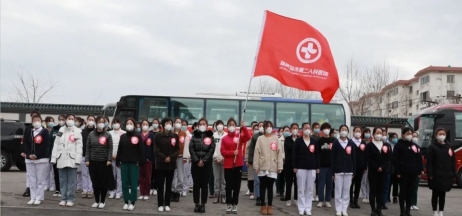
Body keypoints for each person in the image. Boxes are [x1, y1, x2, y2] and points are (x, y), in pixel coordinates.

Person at [51, 114, 83, 207]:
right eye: (69, 118)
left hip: (72, 159)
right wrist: (54, 158)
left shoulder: (77, 131)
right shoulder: (61, 130)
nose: (70, 120)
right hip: (61, 158)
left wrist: (77, 159)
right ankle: (63, 198)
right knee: (63, 179)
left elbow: (79, 146)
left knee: (72, 181)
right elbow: (56, 144)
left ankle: (70, 198)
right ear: (66, 120)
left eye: (72, 119)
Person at [220, 118, 251, 214]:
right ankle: (228, 203)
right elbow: (223, 151)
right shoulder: (224, 139)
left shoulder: (239, 136)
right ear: (227, 126)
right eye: (230, 125)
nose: (231, 126)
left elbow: (248, 137)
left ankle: (234, 204)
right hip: (228, 165)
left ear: (235, 126)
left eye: (233, 124)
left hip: (237, 165)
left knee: (237, 186)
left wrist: (244, 127)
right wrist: (232, 153)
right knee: (228, 186)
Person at [253, 120, 283, 215]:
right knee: (262, 187)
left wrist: (280, 166)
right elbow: (256, 152)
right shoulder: (260, 139)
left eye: (270, 126)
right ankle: (263, 205)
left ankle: (270, 206)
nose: (269, 128)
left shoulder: (276, 139)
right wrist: (256, 165)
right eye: (267, 126)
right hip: (262, 166)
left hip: (273, 167)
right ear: (264, 128)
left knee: (270, 187)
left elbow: (279, 153)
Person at [392, 127, 424, 216]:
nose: (409, 135)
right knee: (403, 191)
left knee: (410, 191)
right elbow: (395, 159)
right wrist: (397, 171)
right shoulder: (398, 145)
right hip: (402, 172)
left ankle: (408, 210)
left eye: (410, 133)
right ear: (403, 134)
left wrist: (420, 170)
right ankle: (402, 210)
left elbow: (419, 159)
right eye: (407, 133)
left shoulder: (415, 146)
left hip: (413, 172)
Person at [86, 116, 114, 209]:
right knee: (95, 182)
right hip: (93, 161)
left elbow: (110, 148)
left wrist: (109, 159)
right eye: (99, 122)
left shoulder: (107, 135)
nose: (101, 123)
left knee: (103, 182)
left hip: (104, 162)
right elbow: (88, 148)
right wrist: (87, 159)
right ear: (96, 123)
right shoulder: (91, 134)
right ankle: (96, 200)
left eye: (103, 122)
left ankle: (102, 201)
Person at [116, 118, 144, 211]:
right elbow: (119, 149)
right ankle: (125, 201)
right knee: (124, 183)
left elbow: (141, 150)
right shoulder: (123, 136)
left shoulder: (138, 136)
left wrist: (140, 162)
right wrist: (117, 160)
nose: (129, 125)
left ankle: (132, 202)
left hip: (134, 163)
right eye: (127, 123)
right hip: (124, 162)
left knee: (133, 183)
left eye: (131, 123)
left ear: (134, 125)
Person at [427, 128, 456, 216]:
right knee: (435, 193)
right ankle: (435, 211)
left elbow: (452, 160)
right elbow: (430, 161)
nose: (442, 135)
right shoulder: (432, 147)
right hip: (436, 174)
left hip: (446, 174)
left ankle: (441, 211)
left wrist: (453, 173)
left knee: (443, 194)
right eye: (440, 134)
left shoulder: (449, 146)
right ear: (436, 135)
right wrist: (430, 173)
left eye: (443, 134)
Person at [189, 118, 215, 213]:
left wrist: (203, 160)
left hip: (206, 164)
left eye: (204, 124)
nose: (202, 125)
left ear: (207, 125)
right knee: (196, 184)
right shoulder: (194, 135)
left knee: (204, 185)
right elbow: (191, 148)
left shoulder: (210, 136)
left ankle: (203, 204)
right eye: (201, 124)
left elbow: (211, 149)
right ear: (198, 125)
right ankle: (196, 204)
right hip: (195, 164)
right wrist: (197, 160)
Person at [293, 122, 319, 216]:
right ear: (302, 129)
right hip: (301, 167)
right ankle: (301, 208)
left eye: (308, 128)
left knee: (309, 189)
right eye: (305, 128)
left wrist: (317, 167)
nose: (307, 129)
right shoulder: (298, 141)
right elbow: (295, 154)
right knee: (301, 189)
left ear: (310, 130)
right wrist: (295, 166)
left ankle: (308, 208)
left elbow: (317, 155)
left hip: (312, 167)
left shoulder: (314, 141)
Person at [24, 115, 50, 205]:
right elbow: (25, 143)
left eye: (38, 120)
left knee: (40, 180)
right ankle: (33, 197)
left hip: (41, 159)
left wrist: (36, 154)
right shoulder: (29, 131)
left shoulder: (45, 131)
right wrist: (28, 154)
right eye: (34, 120)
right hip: (29, 159)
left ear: (41, 121)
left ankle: (39, 197)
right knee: (32, 179)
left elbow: (45, 145)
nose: (36, 122)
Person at [365, 127, 392, 216]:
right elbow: (368, 158)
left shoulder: (386, 145)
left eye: (381, 132)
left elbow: (388, 158)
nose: (379, 134)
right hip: (373, 171)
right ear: (373, 134)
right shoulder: (369, 145)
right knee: (373, 190)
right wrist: (377, 167)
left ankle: (379, 209)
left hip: (383, 171)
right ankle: (373, 209)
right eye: (377, 132)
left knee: (381, 190)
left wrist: (382, 167)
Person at [154, 117, 180, 212]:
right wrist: (164, 157)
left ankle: (167, 204)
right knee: (160, 185)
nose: (169, 125)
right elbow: (156, 150)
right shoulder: (158, 136)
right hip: (160, 164)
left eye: (170, 123)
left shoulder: (175, 136)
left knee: (169, 185)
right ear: (163, 125)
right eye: (167, 123)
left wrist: (170, 157)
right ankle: (160, 204)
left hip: (171, 165)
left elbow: (177, 150)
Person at [331, 125, 356, 216]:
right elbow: (332, 158)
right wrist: (333, 172)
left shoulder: (351, 143)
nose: (344, 131)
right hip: (338, 171)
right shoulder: (336, 143)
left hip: (349, 170)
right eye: (342, 130)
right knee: (338, 190)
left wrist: (354, 171)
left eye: (345, 130)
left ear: (348, 131)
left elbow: (353, 158)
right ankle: (338, 209)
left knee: (346, 190)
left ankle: (344, 209)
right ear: (339, 131)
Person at [21, 109, 41, 197]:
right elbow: (24, 140)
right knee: (29, 174)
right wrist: (24, 151)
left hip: (38, 155)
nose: (35, 119)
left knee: (38, 174)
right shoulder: (28, 128)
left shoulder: (42, 129)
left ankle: (37, 190)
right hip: (28, 154)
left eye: (36, 117)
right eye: (33, 117)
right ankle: (28, 188)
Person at [316, 123, 335, 208]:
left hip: (331, 166)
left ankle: (327, 200)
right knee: (321, 184)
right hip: (322, 166)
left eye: (328, 128)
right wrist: (318, 166)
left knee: (329, 184)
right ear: (322, 130)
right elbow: (317, 154)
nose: (326, 130)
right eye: (325, 128)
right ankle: (320, 200)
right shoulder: (319, 141)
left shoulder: (333, 140)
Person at [350, 126, 367, 209]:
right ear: (353, 132)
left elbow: (365, 155)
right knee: (351, 184)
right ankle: (351, 200)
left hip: (360, 166)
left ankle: (356, 200)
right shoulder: (350, 142)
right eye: (356, 131)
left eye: (359, 131)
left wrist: (365, 166)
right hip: (352, 167)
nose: (358, 132)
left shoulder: (363, 142)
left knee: (358, 184)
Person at [49, 114, 66, 197]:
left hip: (64, 155)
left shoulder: (67, 129)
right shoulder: (54, 129)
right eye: (60, 119)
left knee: (63, 174)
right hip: (55, 154)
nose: (61, 121)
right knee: (56, 173)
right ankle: (57, 189)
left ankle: (63, 189)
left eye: (63, 119)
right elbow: (50, 142)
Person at [108, 117, 125, 199]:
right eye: (114, 122)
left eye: (117, 122)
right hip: (110, 158)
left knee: (119, 177)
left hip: (120, 158)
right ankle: (112, 191)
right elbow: (107, 146)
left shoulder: (124, 133)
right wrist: (110, 155)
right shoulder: (109, 133)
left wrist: (119, 156)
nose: (116, 124)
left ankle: (119, 192)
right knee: (111, 176)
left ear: (120, 124)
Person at [171, 118, 188, 202]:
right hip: (172, 158)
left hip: (181, 157)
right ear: (174, 124)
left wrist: (185, 157)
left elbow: (186, 146)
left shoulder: (184, 134)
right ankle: (172, 191)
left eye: (179, 122)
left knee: (180, 176)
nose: (177, 123)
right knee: (173, 175)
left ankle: (178, 192)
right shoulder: (171, 133)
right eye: (176, 122)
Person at [248, 121, 264, 206]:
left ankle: (263, 197)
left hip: (265, 162)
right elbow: (251, 150)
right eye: (260, 126)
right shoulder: (254, 137)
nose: (261, 127)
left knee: (264, 181)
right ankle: (258, 197)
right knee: (257, 181)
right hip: (256, 161)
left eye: (262, 125)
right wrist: (250, 160)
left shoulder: (268, 137)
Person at [138, 119, 155, 200]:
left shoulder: (151, 135)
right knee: (141, 177)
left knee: (148, 177)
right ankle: (142, 193)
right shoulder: (138, 135)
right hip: (140, 159)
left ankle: (147, 193)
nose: (144, 125)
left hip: (149, 160)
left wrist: (153, 159)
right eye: (143, 124)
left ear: (148, 126)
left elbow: (153, 148)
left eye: (146, 124)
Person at [283, 123, 299, 207]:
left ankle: (296, 199)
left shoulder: (300, 139)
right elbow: (287, 152)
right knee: (289, 182)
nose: (295, 129)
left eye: (296, 128)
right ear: (291, 129)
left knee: (297, 182)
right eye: (293, 128)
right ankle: (288, 199)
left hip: (298, 164)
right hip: (289, 164)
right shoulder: (288, 139)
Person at [212, 120, 227, 204]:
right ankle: (216, 195)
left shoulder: (226, 135)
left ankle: (223, 195)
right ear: (216, 126)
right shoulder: (213, 135)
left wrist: (223, 158)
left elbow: (227, 148)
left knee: (223, 179)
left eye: (221, 124)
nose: (220, 126)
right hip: (215, 160)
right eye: (218, 124)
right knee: (216, 178)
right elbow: (212, 148)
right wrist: (215, 157)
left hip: (224, 160)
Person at [81, 115, 95, 199]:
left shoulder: (96, 132)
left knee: (91, 174)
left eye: (92, 119)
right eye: (89, 119)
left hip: (93, 156)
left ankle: (91, 190)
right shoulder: (82, 131)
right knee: (84, 174)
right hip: (83, 155)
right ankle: (85, 190)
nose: (91, 121)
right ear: (87, 120)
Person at [245, 123, 259, 200]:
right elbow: (247, 149)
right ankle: (252, 192)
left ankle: (258, 193)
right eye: (255, 129)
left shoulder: (261, 138)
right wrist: (246, 160)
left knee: (258, 179)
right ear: (253, 130)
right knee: (251, 177)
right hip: (251, 160)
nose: (256, 130)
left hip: (259, 161)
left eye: (258, 128)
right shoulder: (250, 139)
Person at [387, 132, 399, 207]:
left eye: (396, 137)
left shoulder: (397, 146)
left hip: (396, 167)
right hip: (389, 167)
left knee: (396, 184)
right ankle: (387, 197)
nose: (395, 139)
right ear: (390, 138)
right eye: (394, 137)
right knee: (389, 183)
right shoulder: (388, 145)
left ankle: (395, 196)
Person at [44, 116, 56, 192]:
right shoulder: (44, 131)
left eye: (52, 121)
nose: (51, 123)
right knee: (46, 171)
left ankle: (52, 185)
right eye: (49, 121)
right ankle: (46, 185)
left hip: (52, 152)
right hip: (45, 153)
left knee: (52, 171)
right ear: (46, 122)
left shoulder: (54, 131)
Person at [150, 118, 161, 196]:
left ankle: (156, 187)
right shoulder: (150, 133)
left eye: (156, 122)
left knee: (157, 173)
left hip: (158, 156)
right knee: (151, 173)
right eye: (153, 122)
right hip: (150, 155)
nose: (155, 124)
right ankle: (150, 187)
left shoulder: (160, 133)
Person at [276, 126, 288, 199]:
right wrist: (282, 157)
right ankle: (279, 191)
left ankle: (283, 192)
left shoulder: (290, 139)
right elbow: (279, 150)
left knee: (285, 178)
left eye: (288, 130)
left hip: (288, 161)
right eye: (285, 130)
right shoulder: (279, 140)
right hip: (281, 160)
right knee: (280, 177)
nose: (287, 132)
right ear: (282, 131)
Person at [361, 128, 372, 204]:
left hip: (370, 163)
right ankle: (364, 196)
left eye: (369, 132)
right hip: (363, 163)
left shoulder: (371, 143)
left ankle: (368, 196)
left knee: (369, 181)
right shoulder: (361, 142)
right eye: (366, 132)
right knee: (363, 181)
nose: (367, 133)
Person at [410, 132, 420, 210]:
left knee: (415, 187)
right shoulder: (408, 146)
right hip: (409, 170)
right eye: (413, 136)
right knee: (409, 188)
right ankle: (409, 203)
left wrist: (420, 170)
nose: (415, 138)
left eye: (416, 136)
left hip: (416, 171)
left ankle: (414, 203)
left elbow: (420, 160)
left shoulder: (418, 147)